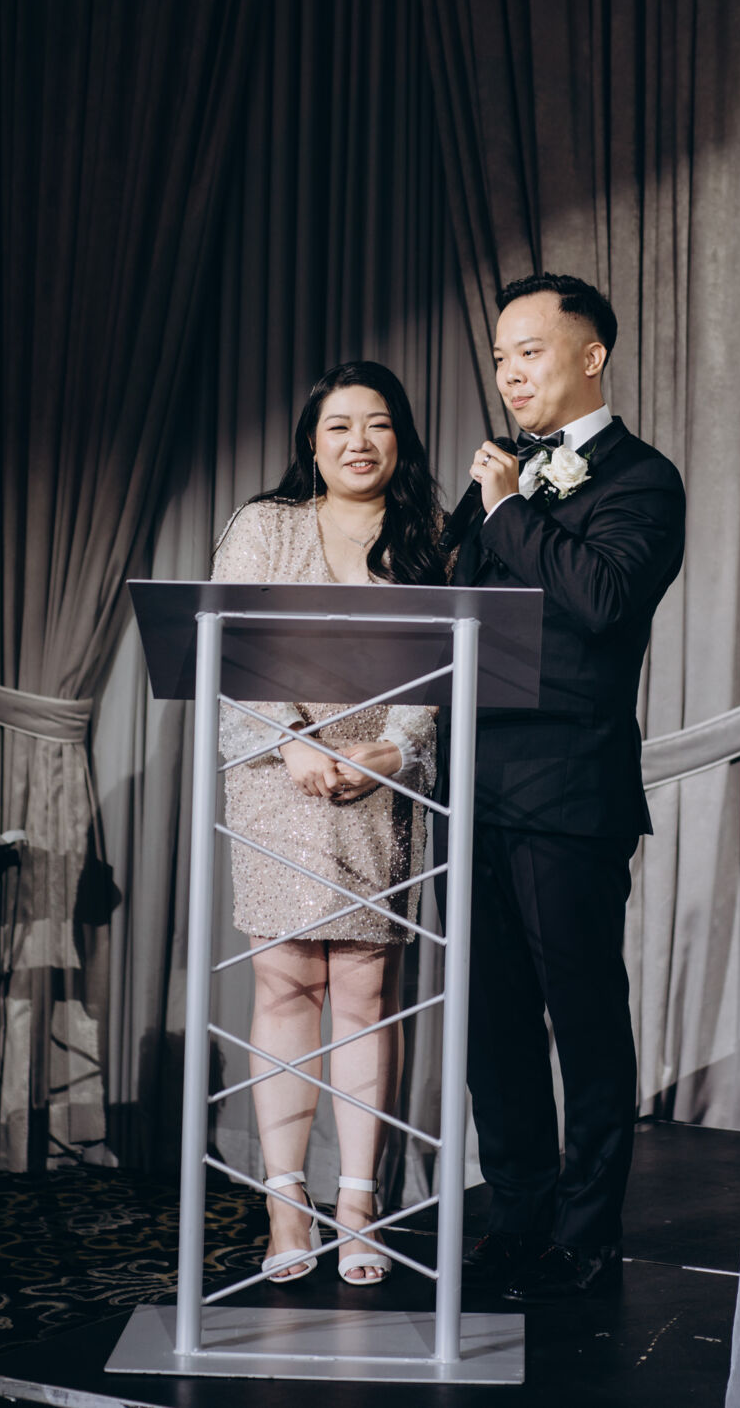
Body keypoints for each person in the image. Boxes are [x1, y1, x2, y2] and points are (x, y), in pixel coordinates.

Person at [448, 273, 686, 1300]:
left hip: (568, 790)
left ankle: (587, 1230)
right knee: (491, 1021)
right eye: (501, 355)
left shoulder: (642, 480)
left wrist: (506, 506)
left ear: (592, 355)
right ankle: (516, 1216)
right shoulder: (494, 480)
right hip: (469, 785)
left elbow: (600, 599)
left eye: (530, 351)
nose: (510, 372)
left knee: (582, 1017)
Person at [212, 362, 446, 1288]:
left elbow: (448, 658)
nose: (359, 441)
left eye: (377, 424)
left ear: (401, 440)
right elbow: (231, 642)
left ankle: (358, 1207)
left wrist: (393, 750)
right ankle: (284, 1207)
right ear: (311, 443)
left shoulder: (431, 534)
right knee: (285, 986)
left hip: (382, 786)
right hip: (278, 781)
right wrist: (291, 743)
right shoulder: (263, 526)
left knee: (364, 993)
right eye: (339, 425)